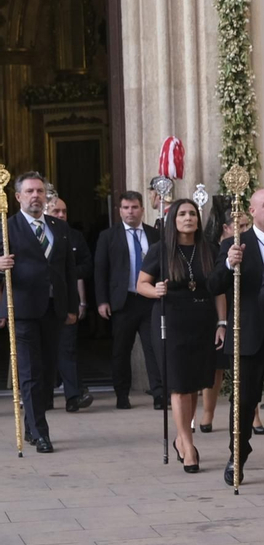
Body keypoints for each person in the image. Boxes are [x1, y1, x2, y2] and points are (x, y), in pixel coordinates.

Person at [135, 198, 225, 472]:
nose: (189, 218)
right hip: (170, 322)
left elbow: (218, 289)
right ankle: (187, 445)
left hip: (203, 322)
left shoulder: (210, 249)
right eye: (183, 214)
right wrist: (156, 291)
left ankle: (181, 436)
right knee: (178, 385)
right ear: (173, 219)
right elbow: (141, 284)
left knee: (195, 383)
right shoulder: (160, 251)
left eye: (193, 213)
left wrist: (222, 322)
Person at [213, 187, 264, 490]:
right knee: (244, 403)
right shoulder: (236, 244)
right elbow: (214, 284)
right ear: (252, 211)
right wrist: (229, 263)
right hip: (248, 338)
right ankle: (238, 456)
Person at [0, 172, 77, 453]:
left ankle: (31, 426)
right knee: (30, 373)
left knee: (46, 372)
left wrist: (72, 306)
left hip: (53, 309)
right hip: (23, 310)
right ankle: (41, 432)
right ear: (18, 196)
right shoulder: (7, 228)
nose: (36, 196)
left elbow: (68, 268)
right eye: (30, 191)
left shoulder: (59, 227)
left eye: (40, 191)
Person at [94, 190, 163, 409]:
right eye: (125, 208)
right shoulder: (108, 236)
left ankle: (159, 393)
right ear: (120, 210)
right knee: (121, 350)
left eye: (134, 207)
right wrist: (102, 300)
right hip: (123, 301)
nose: (130, 212)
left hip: (149, 300)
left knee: (153, 348)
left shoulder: (154, 235)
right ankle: (122, 394)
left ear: (142, 209)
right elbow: (100, 270)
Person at [45, 196, 93, 412]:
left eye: (64, 211)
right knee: (42, 352)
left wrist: (68, 274)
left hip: (65, 301)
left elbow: (86, 265)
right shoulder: (33, 234)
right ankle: (44, 397)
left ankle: (73, 396)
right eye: (56, 211)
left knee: (67, 350)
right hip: (38, 303)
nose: (61, 215)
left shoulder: (73, 236)